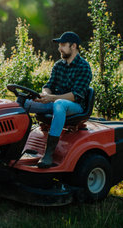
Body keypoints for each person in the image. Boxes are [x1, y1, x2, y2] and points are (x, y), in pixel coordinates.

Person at [24, 31, 92, 168]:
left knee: (60, 104)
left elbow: (75, 95)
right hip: (55, 102)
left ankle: (48, 153)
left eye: (62, 45)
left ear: (73, 46)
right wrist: (44, 95)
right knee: (24, 102)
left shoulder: (84, 67)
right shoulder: (58, 65)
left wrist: (52, 98)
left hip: (75, 106)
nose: (59, 48)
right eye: (59, 45)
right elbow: (49, 86)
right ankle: (16, 144)